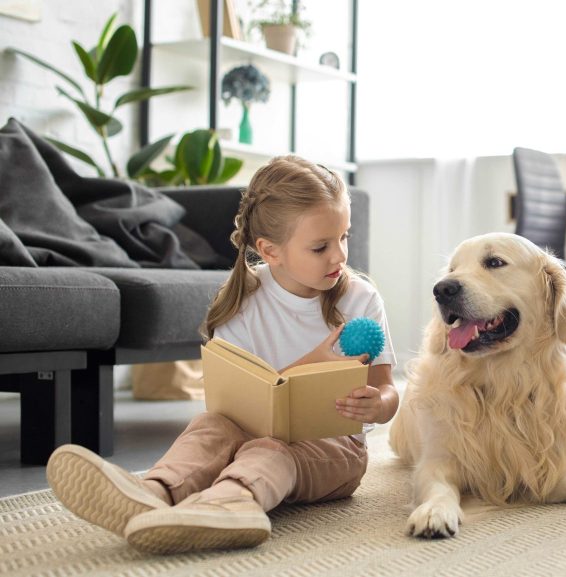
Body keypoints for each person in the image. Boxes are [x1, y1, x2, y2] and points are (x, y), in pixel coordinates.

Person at [45, 155, 399, 554]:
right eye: (321, 246)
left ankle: (231, 504)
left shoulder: (360, 298)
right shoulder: (244, 301)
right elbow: (242, 403)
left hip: (336, 450)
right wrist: (310, 365)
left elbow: (387, 393)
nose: (339, 256)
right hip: (252, 429)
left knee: (268, 451)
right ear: (270, 250)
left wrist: (378, 405)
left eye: (344, 237)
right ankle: (153, 492)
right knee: (212, 426)